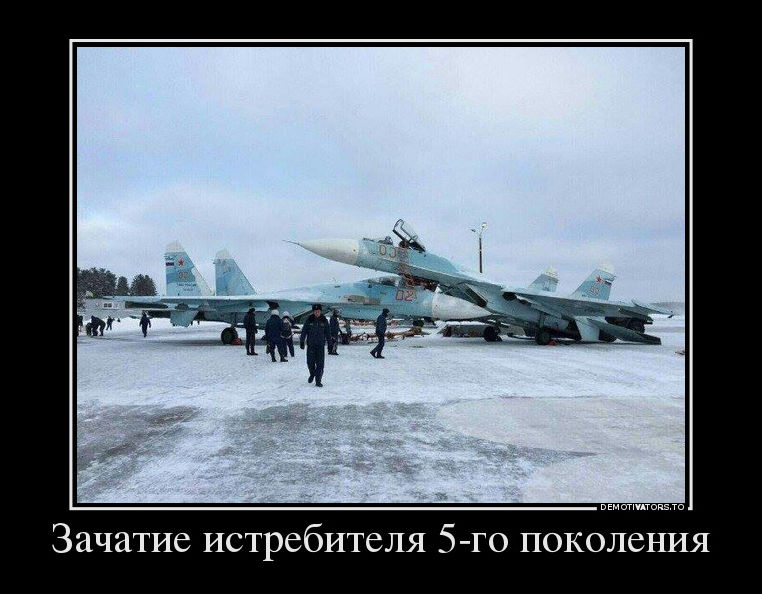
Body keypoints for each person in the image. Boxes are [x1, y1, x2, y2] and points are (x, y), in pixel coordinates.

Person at [300, 303, 330, 387]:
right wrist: (302, 341)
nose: (317, 313)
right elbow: (304, 331)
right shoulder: (309, 320)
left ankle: (318, 381)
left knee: (320, 364)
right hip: (311, 346)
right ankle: (312, 374)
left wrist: (330, 343)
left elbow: (328, 332)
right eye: (315, 311)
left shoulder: (324, 320)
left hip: (320, 346)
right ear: (313, 312)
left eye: (318, 311)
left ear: (320, 311)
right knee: (310, 363)